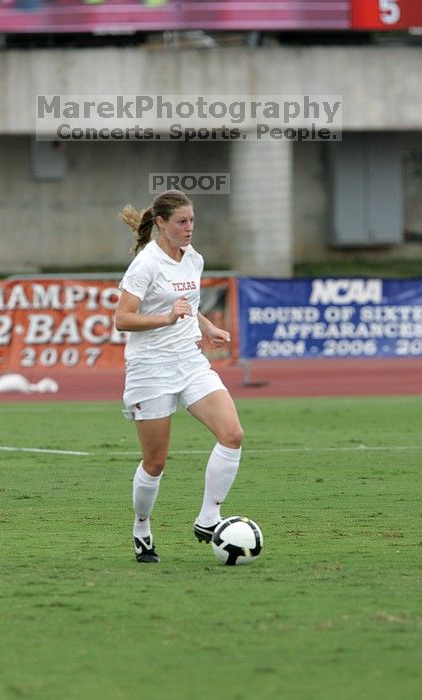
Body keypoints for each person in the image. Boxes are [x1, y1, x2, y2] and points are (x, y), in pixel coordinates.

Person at [115, 190, 244, 563]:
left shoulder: (194, 259)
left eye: (192, 221)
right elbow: (122, 319)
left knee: (232, 434)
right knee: (155, 462)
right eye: (181, 222)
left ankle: (208, 518)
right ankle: (142, 528)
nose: (189, 228)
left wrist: (205, 327)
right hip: (150, 369)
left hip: (189, 361)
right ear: (161, 224)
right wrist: (167, 318)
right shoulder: (146, 265)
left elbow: (187, 307)